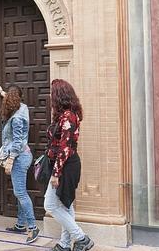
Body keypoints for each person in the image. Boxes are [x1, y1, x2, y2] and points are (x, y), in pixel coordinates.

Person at [44, 79, 94, 251]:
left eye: (52, 94)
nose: (50, 97)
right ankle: (64, 245)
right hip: (63, 164)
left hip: (66, 165)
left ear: (59, 96)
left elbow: (65, 147)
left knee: (49, 205)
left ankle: (81, 238)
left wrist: (56, 173)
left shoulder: (68, 116)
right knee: (66, 204)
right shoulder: (65, 115)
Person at [0, 83, 40, 244]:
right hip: (23, 156)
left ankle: (33, 227)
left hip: (20, 157)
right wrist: (1, 92)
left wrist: (10, 161)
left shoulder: (17, 118)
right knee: (19, 191)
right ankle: (21, 224)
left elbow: (18, 142)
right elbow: (11, 97)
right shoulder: (23, 107)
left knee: (20, 192)